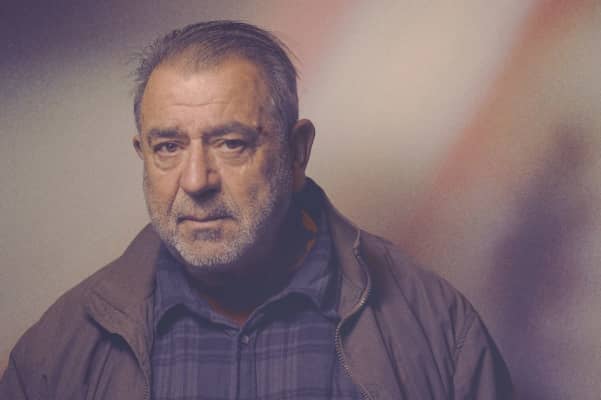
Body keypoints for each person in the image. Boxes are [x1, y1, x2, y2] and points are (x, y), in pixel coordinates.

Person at [0, 21, 512, 399]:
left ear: (298, 153)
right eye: (169, 147)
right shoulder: (56, 352)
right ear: (143, 154)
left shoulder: (438, 328)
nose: (196, 181)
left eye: (231, 143)